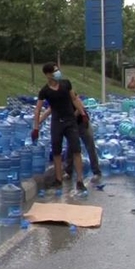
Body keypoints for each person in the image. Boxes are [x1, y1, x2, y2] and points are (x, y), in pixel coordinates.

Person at [32, 62, 88, 192]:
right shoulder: (45, 91)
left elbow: (74, 99)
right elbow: (38, 109)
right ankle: (58, 179)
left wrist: (83, 113)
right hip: (57, 122)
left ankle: (79, 180)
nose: (57, 72)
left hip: (70, 121)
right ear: (47, 74)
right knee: (56, 152)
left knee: (76, 150)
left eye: (57, 70)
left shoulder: (66, 84)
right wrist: (36, 128)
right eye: (54, 71)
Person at [39, 105, 102, 181]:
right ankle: (68, 172)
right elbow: (50, 110)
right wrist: (39, 121)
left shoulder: (69, 95)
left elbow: (80, 107)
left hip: (82, 123)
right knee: (70, 148)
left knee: (90, 146)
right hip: (71, 125)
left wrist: (71, 118)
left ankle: (96, 172)